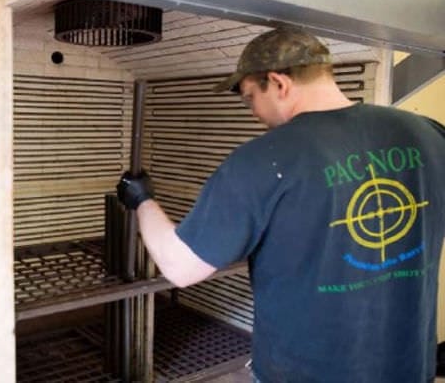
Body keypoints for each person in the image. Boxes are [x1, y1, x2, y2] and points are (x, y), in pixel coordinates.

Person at [116, 26, 445, 383]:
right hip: (411, 368)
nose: (252, 111)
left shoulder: (263, 160)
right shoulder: (427, 133)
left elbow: (179, 267)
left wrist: (142, 200)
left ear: (279, 83)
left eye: (249, 97)